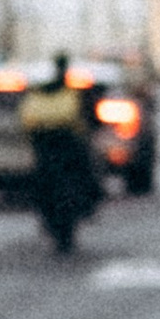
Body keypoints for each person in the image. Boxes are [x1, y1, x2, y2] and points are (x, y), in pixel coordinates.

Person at [22, 56, 102, 252]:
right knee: (88, 176)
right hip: (70, 145)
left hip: (45, 145)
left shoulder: (38, 90)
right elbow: (91, 117)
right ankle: (86, 208)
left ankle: (46, 215)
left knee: (40, 181)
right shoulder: (73, 89)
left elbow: (27, 121)